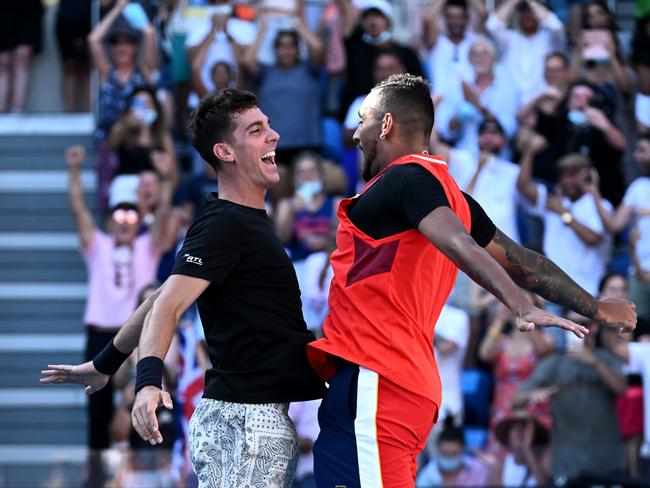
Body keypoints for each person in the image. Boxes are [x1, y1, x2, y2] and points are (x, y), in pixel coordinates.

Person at [304, 74, 635, 487]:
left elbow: (457, 240)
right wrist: (596, 306)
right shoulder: (450, 194)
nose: (354, 135)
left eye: (361, 121)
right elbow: (526, 263)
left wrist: (516, 302)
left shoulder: (406, 180)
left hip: (377, 381)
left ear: (385, 124)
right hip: (393, 384)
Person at [42, 89, 326, 488]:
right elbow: (167, 306)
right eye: (257, 129)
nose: (274, 136)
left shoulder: (234, 221)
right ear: (225, 152)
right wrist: (147, 385)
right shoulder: (225, 224)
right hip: (244, 423)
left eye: (269, 125)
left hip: (250, 420)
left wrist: (106, 363)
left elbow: (160, 296)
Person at [513, 316, 628, 483]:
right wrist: (532, 395)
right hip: (567, 463)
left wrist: (594, 362)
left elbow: (622, 389)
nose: (574, 327)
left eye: (581, 323)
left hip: (607, 461)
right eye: (569, 323)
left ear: (593, 327)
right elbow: (516, 399)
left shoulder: (607, 358)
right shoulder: (554, 363)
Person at [416, 416, 489, 487]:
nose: (449, 458)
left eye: (454, 453)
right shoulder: (428, 474)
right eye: (445, 453)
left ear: (462, 448)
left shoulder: (478, 470)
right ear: (438, 450)